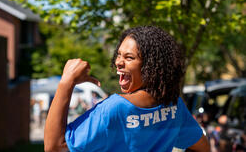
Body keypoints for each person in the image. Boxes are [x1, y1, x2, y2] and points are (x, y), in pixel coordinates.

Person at [44, 26, 210, 152]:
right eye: (119, 54)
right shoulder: (174, 105)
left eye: (129, 57)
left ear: (151, 66)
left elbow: (55, 147)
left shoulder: (115, 108)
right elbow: (202, 146)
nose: (118, 62)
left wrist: (66, 82)